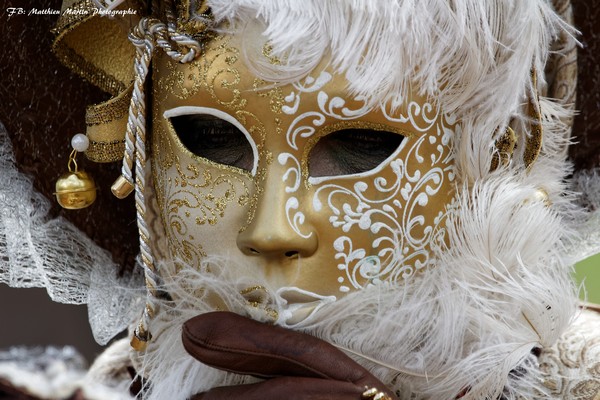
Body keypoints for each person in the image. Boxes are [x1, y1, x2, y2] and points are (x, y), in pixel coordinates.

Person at [1, 0, 600, 399]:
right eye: (212, 140)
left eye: (361, 144)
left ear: (493, 156)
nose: (274, 229)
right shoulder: (123, 384)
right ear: (147, 155)